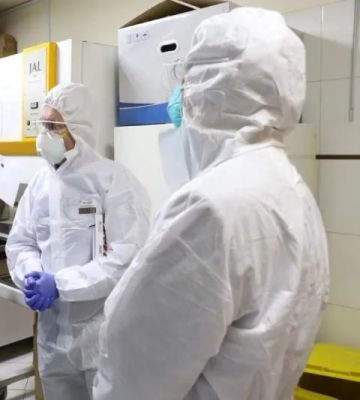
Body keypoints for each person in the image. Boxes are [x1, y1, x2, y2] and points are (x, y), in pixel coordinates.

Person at [93, 8, 329, 400]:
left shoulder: (210, 206)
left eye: (185, 83)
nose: (177, 99)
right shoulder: (293, 190)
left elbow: (136, 369)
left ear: (210, 90)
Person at [6, 82, 150, 400]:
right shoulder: (40, 183)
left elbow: (125, 259)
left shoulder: (114, 180)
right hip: (52, 333)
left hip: (101, 333)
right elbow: (21, 242)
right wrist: (31, 273)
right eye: (43, 125)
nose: (44, 135)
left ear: (79, 129)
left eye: (54, 126)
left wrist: (60, 284)